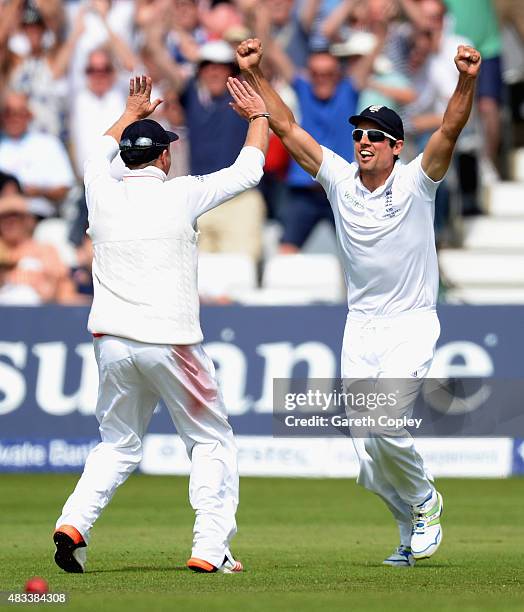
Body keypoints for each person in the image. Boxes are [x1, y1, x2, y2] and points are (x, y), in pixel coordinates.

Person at [237, 37, 481, 565]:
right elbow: (286, 127)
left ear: (396, 146)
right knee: (368, 459)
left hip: (411, 322)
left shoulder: (418, 182)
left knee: (388, 424)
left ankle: (426, 500)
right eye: (358, 134)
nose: (363, 141)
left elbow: (449, 129)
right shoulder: (340, 180)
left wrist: (465, 79)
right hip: (360, 326)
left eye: (375, 136)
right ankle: (406, 534)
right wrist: (256, 74)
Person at [52, 75, 268, 573]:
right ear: (165, 158)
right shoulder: (182, 194)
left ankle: (74, 523)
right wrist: (259, 117)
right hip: (172, 343)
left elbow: (94, 155)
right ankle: (211, 548)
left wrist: (130, 113)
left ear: (126, 158)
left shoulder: (100, 191)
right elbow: (250, 169)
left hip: (111, 342)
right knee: (211, 441)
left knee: (118, 444)